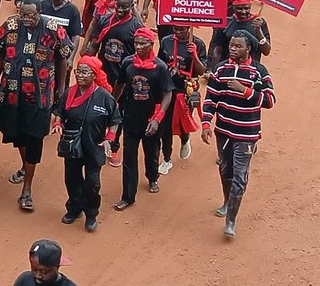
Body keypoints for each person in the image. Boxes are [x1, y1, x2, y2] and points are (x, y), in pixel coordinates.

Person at [0, 0, 70, 210]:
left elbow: (63, 58)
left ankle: (27, 189)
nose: (25, 18)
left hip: (40, 95)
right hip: (11, 93)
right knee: (16, 133)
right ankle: (25, 166)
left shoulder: (53, 28)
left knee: (35, 137)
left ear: (39, 13)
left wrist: (61, 89)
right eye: (23, 14)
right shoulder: (10, 25)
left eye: (30, 15)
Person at [201, 30, 275, 238]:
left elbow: (270, 100)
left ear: (248, 48)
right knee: (226, 170)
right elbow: (211, 98)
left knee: (240, 176)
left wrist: (245, 90)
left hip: (247, 134)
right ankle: (227, 201)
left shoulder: (258, 72)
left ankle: (231, 221)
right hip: (223, 131)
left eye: (238, 46)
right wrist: (206, 123)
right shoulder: (220, 69)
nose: (233, 49)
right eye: (231, 45)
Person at [53, 55, 118, 232]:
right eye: (78, 71)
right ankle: (74, 209)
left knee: (92, 183)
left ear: (94, 75)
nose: (80, 75)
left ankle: (91, 214)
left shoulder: (105, 97)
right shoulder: (69, 93)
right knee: (71, 179)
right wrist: (57, 123)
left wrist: (109, 139)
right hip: (73, 146)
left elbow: (114, 121)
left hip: (94, 147)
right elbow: (60, 112)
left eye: (85, 72)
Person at [112, 27, 173, 211]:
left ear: (151, 44)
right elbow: (120, 84)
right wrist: (113, 103)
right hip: (131, 118)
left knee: (151, 154)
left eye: (142, 44)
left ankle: (152, 177)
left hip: (152, 119)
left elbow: (167, 94)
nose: (138, 47)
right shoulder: (127, 63)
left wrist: (157, 119)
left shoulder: (160, 68)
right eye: (136, 43)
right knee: (129, 159)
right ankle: (127, 197)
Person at [156, 25, 206, 171]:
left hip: (186, 91)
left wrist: (194, 56)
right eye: (175, 29)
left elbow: (202, 71)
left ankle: (185, 139)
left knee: (183, 122)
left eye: (182, 30)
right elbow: (160, 64)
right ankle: (167, 159)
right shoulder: (166, 41)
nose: (178, 33)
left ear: (189, 28)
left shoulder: (198, 44)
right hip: (168, 90)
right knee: (165, 125)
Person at [208, 0, 272, 68]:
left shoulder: (259, 23)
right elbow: (217, 50)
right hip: (228, 68)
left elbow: (266, 51)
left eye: (246, 8)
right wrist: (213, 69)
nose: (244, 12)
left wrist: (259, 31)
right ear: (233, 7)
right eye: (239, 9)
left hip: (250, 69)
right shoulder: (226, 23)